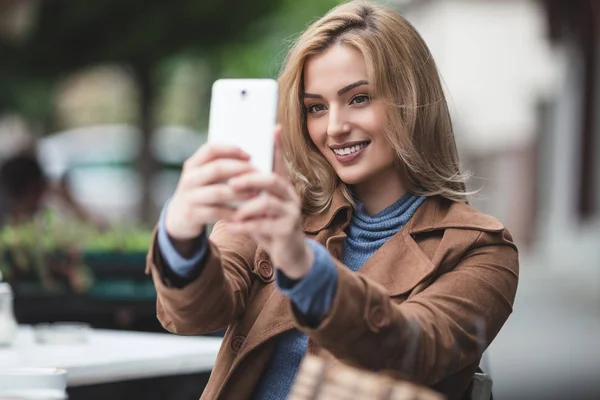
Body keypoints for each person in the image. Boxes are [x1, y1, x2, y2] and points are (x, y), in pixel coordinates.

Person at [145, 1, 519, 399]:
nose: (335, 127)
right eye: (316, 108)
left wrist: (303, 265)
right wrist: (181, 231)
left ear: (411, 99)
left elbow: (414, 350)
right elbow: (192, 314)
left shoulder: (480, 249)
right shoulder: (282, 208)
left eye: (358, 98)